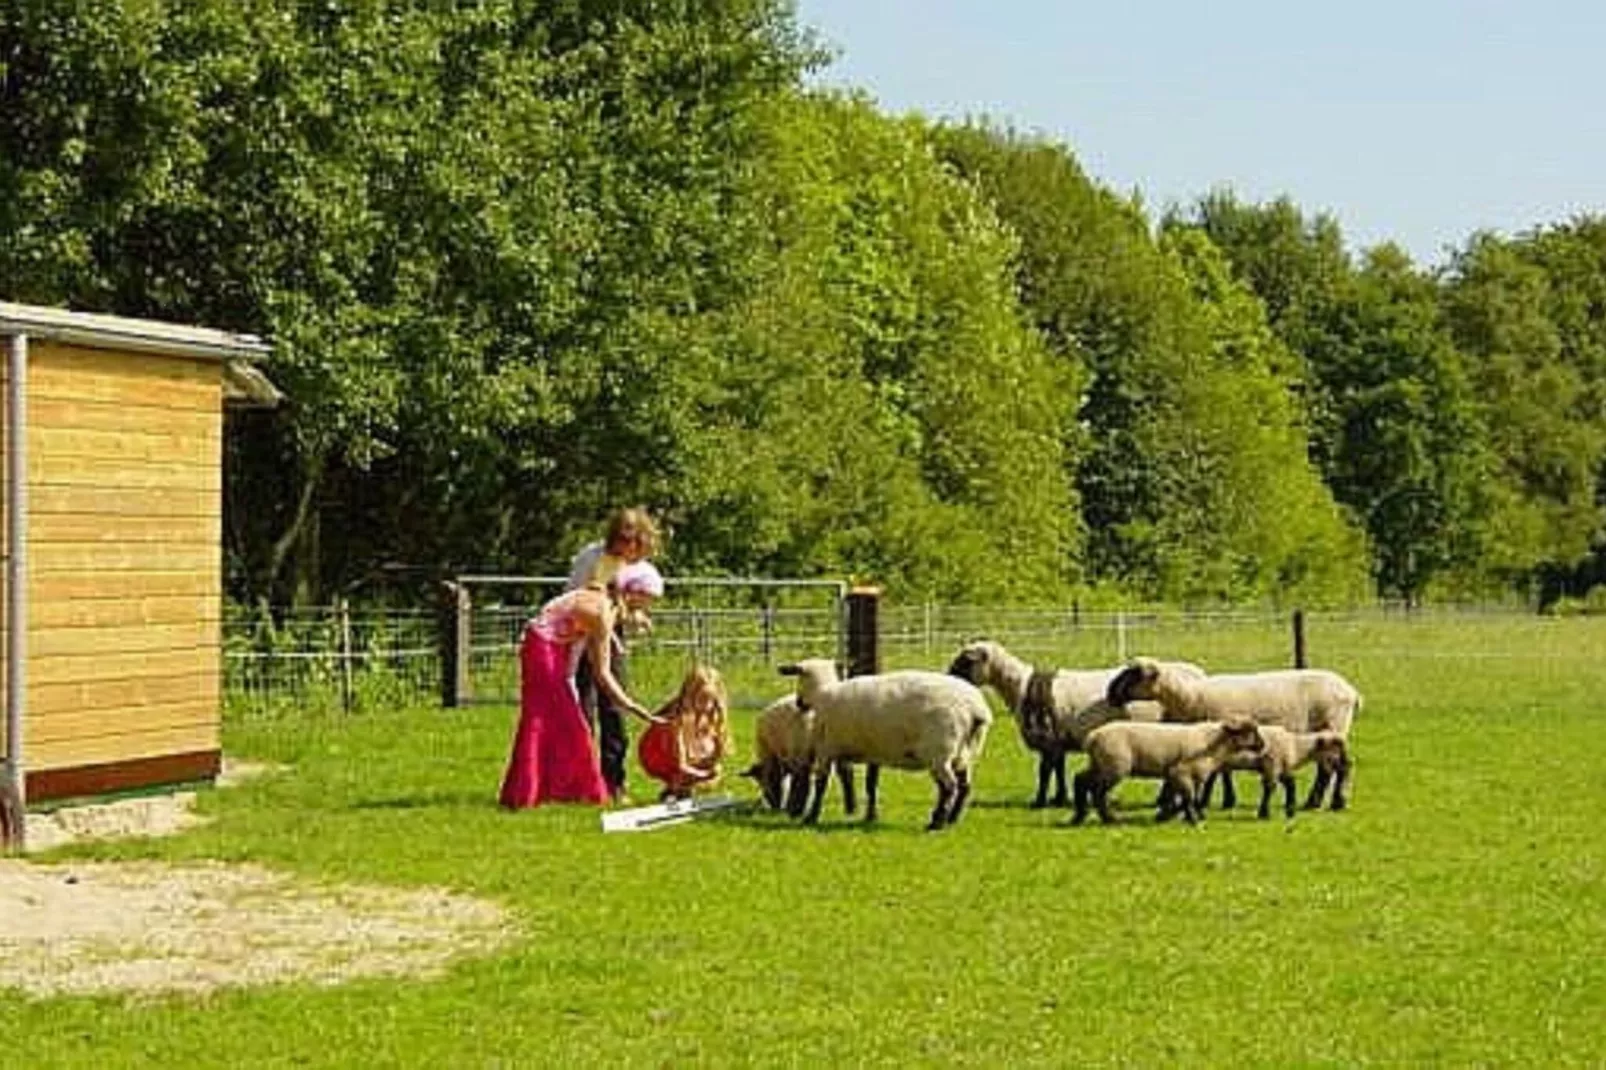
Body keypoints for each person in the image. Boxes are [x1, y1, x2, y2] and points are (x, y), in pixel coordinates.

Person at [498, 561, 665, 809]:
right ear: (633, 593)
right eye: (647, 599)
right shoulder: (601, 612)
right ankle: (563, 791)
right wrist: (633, 706)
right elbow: (603, 673)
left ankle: (543, 789)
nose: (648, 606)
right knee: (556, 722)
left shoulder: (600, 600)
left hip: (547, 650)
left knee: (555, 722)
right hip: (544, 653)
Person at [568, 507, 661, 802]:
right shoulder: (594, 559)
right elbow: (588, 601)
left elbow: (626, 602)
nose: (634, 554)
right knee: (583, 710)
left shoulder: (629, 564)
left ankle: (613, 782)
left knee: (613, 711)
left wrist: (634, 613)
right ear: (621, 539)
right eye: (632, 545)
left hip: (607, 634)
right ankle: (582, 781)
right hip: (578, 636)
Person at [637, 664, 731, 802]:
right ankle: (674, 788)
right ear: (689, 696)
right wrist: (704, 775)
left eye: (710, 699)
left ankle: (682, 788)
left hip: (680, 756)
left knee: (712, 764)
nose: (706, 705)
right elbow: (681, 765)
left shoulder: (712, 716)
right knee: (684, 771)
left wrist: (711, 767)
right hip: (657, 754)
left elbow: (718, 751)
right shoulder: (676, 719)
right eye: (701, 698)